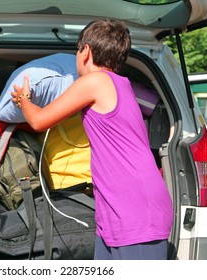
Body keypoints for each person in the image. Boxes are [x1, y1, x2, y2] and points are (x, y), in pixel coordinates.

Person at [11, 18, 174, 260]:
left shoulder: (94, 81)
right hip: (116, 211)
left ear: (85, 51)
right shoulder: (121, 83)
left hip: (136, 210)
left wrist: (23, 98)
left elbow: (39, 121)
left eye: (77, 51)